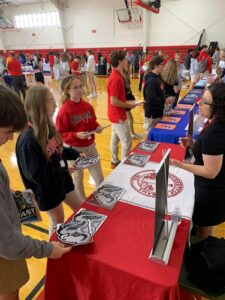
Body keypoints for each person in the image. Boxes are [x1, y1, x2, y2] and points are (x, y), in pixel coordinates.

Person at [0, 85, 72, 300]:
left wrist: (8, 192)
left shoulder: (47, 130)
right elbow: (8, 244)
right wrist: (48, 249)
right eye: (6, 132)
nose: (10, 138)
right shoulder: (27, 140)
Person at [16, 85, 83, 236]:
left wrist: (75, 154)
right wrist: (63, 170)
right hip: (46, 191)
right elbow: (36, 175)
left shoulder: (47, 126)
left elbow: (59, 149)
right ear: (39, 105)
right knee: (58, 221)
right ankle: (55, 253)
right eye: (50, 101)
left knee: (80, 207)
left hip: (62, 182)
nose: (55, 105)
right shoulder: (27, 140)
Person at [171, 82, 225, 239]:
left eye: (205, 101)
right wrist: (193, 144)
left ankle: (205, 258)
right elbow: (213, 152)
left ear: (217, 106)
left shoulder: (214, 133)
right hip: (213, 191)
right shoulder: (217, 124)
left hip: (211, 194)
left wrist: (180, 164)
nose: (200, 104)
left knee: (205, 235)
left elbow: (210, 171)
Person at [56, 75, 104, 200]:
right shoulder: (64, 111)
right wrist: (76, 135)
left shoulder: (88, 106)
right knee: (78, 178)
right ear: (67, 90)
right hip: (74, 150)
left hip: (90, 148)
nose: (79, 90)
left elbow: (93, 123)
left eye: (80, 86)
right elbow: (60, 134)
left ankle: (103, 198)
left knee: (99, 177)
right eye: (75, 87)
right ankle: (82, 203)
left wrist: (97, 128)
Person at [107, 50, 141, 168]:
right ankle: (123, 167)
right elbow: (114, 101)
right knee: (127, 142)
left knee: (115, 139)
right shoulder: (116, 78)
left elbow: (116, 99)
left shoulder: (116, 76)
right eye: (125, 59)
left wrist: (130, 102)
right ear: (120, 61)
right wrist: (129, 105)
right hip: (117, 115)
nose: (127, 61)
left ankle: (114, 161)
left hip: (114, 113)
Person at [143, 55, 173, 132]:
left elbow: (160, 92)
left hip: (158, 112)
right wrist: (164, 99)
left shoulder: (158, 77)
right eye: (162, 64)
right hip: (152, 114)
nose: (164, 66)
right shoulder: (151, 81)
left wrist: (166, 97)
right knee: (150, 135)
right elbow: (151, 100)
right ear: (156, 65)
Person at [121, 63, 142, 139]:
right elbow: (123, 94)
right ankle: (132, 134)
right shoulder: (122, 78)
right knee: (129, 119)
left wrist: (133, 100)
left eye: (129, 67)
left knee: (129, 119)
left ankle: (131, 133)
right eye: (128, 67)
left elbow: (129, 91)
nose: (129, 69)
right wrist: (130, 102)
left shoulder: (126, 77)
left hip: (127, 101)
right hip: (124, 103)